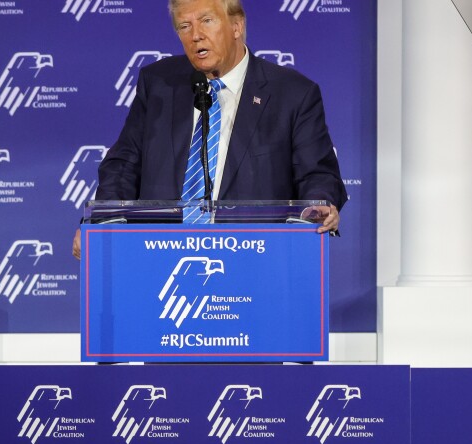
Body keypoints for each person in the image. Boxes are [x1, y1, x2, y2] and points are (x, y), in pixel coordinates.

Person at [72, 0, 346, 259]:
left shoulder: (292, 93)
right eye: (184, 26)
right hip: (158, 255)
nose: (196, 35)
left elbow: (317, 172)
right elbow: (123, 164)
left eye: (207, 21)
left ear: (237, 26)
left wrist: (316, 206)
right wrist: (101, 222)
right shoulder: (159, 83)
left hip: (256, 258)